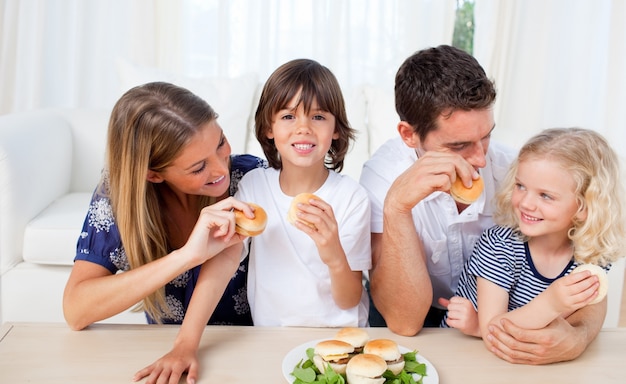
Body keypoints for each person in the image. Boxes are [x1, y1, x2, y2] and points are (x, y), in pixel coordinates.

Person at [359, 45, 608, 364]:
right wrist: (397, 207)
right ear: (409, 135)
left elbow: (581, 261)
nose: (480, 158)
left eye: (486, 136)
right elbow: (405, 321)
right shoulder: (382, 178)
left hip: (502, 321)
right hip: (412, 323)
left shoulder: (515, 173)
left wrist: (579, 336)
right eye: (459, 145)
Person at [133, 59, 371, 384]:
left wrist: (331, 251)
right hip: (268, 339)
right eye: (289, 116)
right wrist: (186, 344)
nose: (303, 128)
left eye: (318, 116)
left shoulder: (352, 198)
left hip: (340, 342)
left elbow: (349, 299)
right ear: (269, 129)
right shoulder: (254, 187)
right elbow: (225, 260)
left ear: (336, 130)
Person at [63, 81, 267, 331]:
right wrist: (185, 257)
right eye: (199, 167)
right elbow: (76, 311)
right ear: (154, 175)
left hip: (253, 343)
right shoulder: (119, 198)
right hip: (166, 350)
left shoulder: (253, 178)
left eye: (220, 142)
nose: (221, 169)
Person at [441, 128, 626, 349]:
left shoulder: (592, 256)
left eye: (545, 195)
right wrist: (552, 303)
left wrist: (480, 328)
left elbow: (556, 331)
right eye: (521, 186)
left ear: (584, 206)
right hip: (461, 350)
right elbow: (494, 331)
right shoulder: (499, 245)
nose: (526, 203)